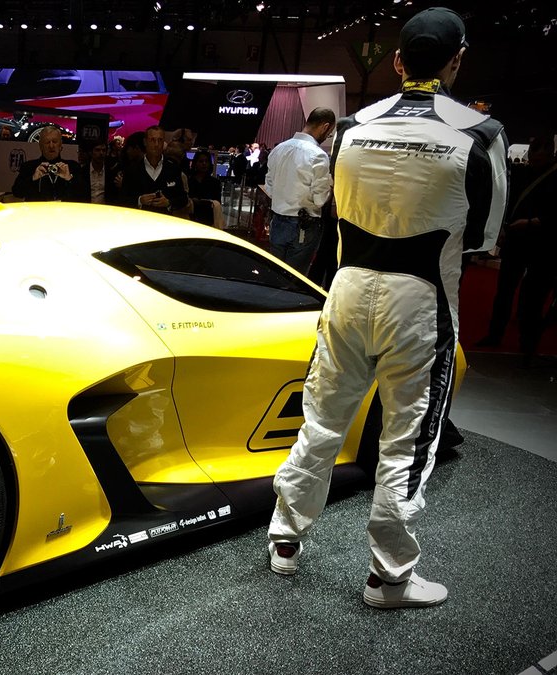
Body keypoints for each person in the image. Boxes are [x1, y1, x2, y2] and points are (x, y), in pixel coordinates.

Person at [266, 7, 508, 609]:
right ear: (457, 61)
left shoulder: (351, 126)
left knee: (321, 420)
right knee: (407, 439)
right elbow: (483, 237)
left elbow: (335, 205)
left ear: (397, 61)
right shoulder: (481, 133)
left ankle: (285, 540)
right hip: (419, 300)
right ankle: (388, 577)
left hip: (348, 290)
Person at [476, 133, 556, 363]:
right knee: (504, 292)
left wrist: (531, 223)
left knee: (533, 298)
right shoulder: (522, 173)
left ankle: (528, 345)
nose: (534, 162)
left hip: (543, 245)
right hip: (515, 241)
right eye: (532, 157)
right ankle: (495, 334)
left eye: (539, 159)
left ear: (550, 155)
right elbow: (508, 201)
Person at [262, 107, 336, 273]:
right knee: (295, 278)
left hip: (277, 221)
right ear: (325, 127)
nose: (327, 137)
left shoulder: (278, 149)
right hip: (304, 225)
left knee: (275, 274)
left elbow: (269, 188)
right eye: (329, 133)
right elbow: (320, 200)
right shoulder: (318, 155)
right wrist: (330, 187)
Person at [120, 125, 190, 217]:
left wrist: (169, 202)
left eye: (160, 140)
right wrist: (139, 200)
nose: (156, 144)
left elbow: (183, 198)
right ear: (145, 142)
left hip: (165, 220)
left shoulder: (173, 169)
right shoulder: (132, 170)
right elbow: (122, 199)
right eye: (152, 140)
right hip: (139, 220)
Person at [11, 126, 89, 202]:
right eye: (47, 142)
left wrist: (70, 178)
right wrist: (33, 178)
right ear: (40, 146)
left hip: (65, 210)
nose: (51, 146)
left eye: (54, 142)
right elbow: (17, 192)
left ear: (60, 145)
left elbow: (85, 194)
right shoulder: (28, 167)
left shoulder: (72, 166)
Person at [187, 150, 224, 227]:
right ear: (195, 163)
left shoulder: (215, 182)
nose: (204, 164)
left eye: (206, 161)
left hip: (208, 220)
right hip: (190, 219)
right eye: (201, 161)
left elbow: (217, 202)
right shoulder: (188, 181)